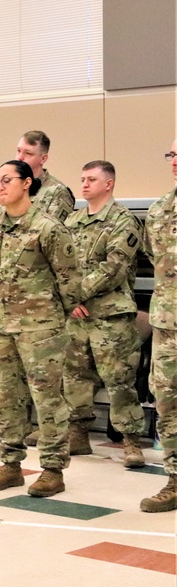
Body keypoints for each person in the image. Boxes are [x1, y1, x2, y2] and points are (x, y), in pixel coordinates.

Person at [0, 160, 79, 497]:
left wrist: (56, 314)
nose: (0, 186)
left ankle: (52, 469)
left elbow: (70, 279)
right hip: (0, 326)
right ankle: (11, 464)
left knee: (47, 400)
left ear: (27, 183)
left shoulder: (48, 228)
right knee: (7, 398)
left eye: (7, 180)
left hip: (41, 330)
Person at [62, 161, 145, 465]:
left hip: (111, 314)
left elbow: (113, 267)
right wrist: (70, 301)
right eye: (82, 178)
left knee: (119, 379)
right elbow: (60, 266)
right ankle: (78, 435)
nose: (84, 184)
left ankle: (131, 440)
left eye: (92, 179)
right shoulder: (71, 222)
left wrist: (74, 293)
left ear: (108, 184)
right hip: (77, 315)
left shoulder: (124, 221)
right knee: (74, 377)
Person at [139, 141, 177, 512]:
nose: (175, 162)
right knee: (167, 403)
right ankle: (175, 480)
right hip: (168, 322)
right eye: (171, 155)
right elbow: (154, 255)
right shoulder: (160, 208)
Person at [16, 130, 75, 222]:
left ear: (43, 159)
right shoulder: (13, 186)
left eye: (28, 153)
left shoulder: (57, 192)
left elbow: (54, 231)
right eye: (18, 151)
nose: (20, 157)